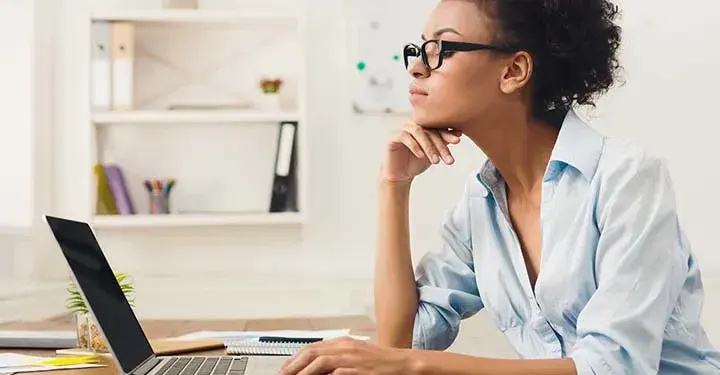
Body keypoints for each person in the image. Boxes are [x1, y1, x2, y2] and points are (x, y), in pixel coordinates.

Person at [278, 0, 720, 374]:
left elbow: (610, 366)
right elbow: (404, 339)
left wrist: (415, 366)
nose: (416, 67)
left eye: (440, 50)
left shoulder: (627, 179)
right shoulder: (480, 205)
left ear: (514, 70)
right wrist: (393, 187)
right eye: (418, 49)